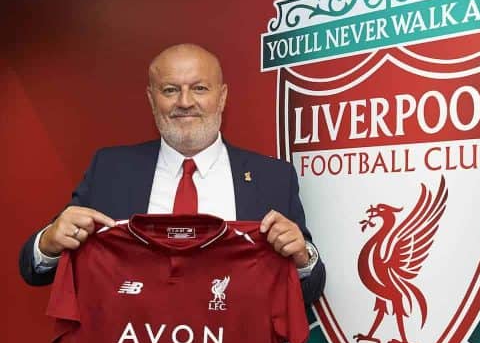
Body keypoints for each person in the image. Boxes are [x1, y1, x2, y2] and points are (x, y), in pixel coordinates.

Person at [18, 43, 325, 306]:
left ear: (222, 97)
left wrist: (302, 259)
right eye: (170, 90)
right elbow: (34, 270)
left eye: (200, 88)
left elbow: (310, 289)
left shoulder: (272, 177)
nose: (185, 102)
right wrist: (48, 243)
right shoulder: (111, 168)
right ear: (152, 100)